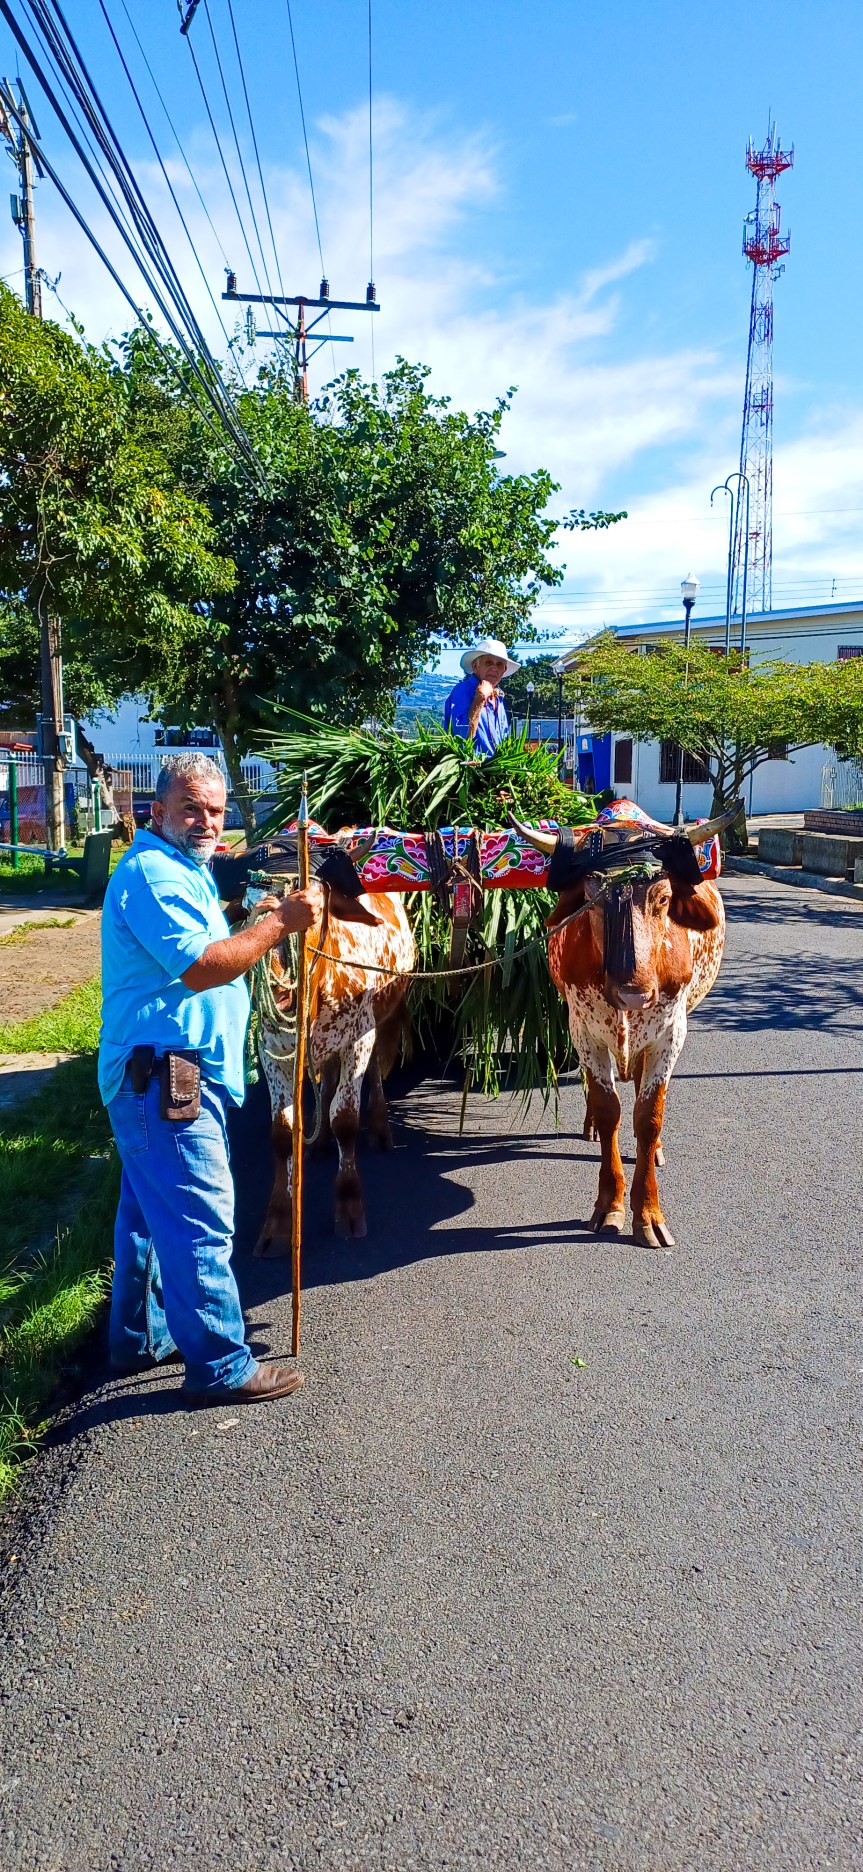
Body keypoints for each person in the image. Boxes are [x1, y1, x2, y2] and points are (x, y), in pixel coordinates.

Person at [99, 752, 323, 1406]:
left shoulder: (183, 870)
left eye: (215, 810)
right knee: (198, 1217)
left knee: (147, 1216)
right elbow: (199, 966)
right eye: (191, 807)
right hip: (167, 1076)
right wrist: (278, 925)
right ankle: (222, 1366)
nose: (204, 820)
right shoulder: (150, 872)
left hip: (169, 1072)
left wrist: (259, 915)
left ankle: (137, 1338)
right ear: (157, 810)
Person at [443, 636, 520, 755]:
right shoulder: (462, 690)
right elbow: (462, 739)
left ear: (504, 670)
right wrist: (479, 700)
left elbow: (504, 740)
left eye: (499, 664)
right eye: (488, 662)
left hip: (494, 770)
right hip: (470, 769)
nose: (494, 668)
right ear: (475, 666)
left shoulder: (498, 699)